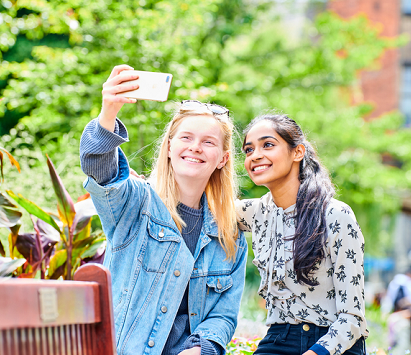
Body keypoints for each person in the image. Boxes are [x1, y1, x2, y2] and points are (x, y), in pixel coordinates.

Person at [80, 65, 248, 355]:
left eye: (208, 142)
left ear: (222, 159)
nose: (195, 147)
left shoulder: (229, 233)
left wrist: (200, 349)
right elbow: (99, 168)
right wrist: (109, 113)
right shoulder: (135, 204)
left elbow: (223, 315)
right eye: (186, 138)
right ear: (169, 147)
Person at [235, 114, 368, 355]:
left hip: (334, 343)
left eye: (267, 145)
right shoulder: (256, 212)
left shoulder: (335, 214)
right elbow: (193, 200)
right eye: (248, 150)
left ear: (297, 153)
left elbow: (353, 318)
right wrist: (142, 182)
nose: (255, 155)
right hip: (278, 339)